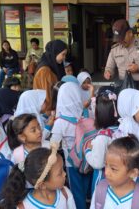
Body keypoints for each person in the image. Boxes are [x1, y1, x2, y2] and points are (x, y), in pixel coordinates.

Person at [50, 81, 91, 209]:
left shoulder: (60, 122)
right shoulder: (86, 114)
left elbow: (54, 144)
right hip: (87, 159)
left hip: (71, 162)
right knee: (86, 186)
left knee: (76, 190)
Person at [0, 145, 76, 209]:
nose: (65, 174)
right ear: (42, 185)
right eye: (60, 173)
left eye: (63, 169)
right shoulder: (24, 207)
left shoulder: (65, 193)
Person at [90, 135, 139, 209]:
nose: (106, 172)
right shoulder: (100, 189)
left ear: (133, 173)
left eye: (113, 169)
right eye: (106, 165)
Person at [104, 19, 139, 92]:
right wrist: (108, 72)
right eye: (118, 39)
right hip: (124, 86)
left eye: (122, 38)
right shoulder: (114, 49)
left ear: (130, 33)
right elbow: (109, 67)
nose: (120, 41)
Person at [85, 90, 119, 193]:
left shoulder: (102, 137)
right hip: (117, 177)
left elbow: (98, 163)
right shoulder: (120, 129)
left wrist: (88, 151)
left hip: (103, 179)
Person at [33, 39, 68, 113]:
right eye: (63, 54)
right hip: (48, 112)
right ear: (55, 53)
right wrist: (52, 114)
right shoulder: (45, 70)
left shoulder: (55, 66)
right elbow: (46, 96)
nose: (64, 57)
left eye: (65, 55)